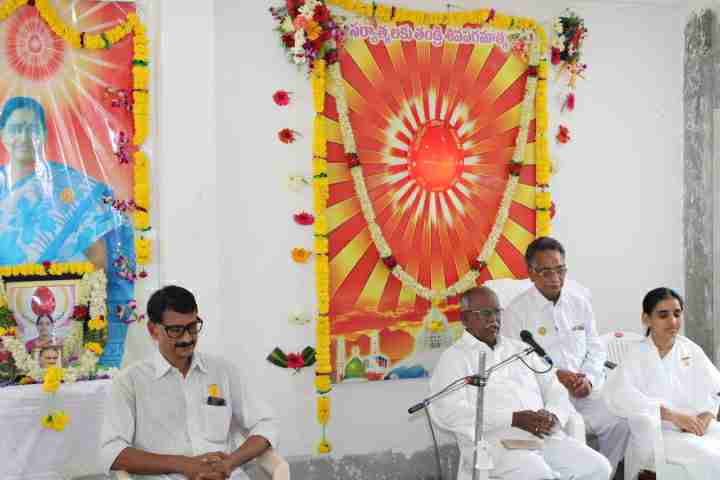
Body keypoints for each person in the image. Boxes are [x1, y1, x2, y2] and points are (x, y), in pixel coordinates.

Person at [430, 286, 612, 480]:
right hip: (495, 444)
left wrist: (553, 415)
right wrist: (513, 418)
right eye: (485, 313)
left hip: (543, 437)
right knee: (539, 474)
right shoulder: (454, 358)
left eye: (497, 312)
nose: (494, 319)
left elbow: (555, 388)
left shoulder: (520, 350)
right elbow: (448, 412)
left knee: (598, 468)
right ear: (465, 318)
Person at [101, 285, 278, 480]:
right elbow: (113, 452)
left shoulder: (223, 371)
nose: (187, 338)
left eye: (192, 327)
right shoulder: (129, 382)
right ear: (153, 330)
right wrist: (184, 465)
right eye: (176, 330)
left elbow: (265, 424)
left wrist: (229, 463)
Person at [502, 237, 630, 474]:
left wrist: (588, 379)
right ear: (531, 273)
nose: (555, 278)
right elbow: (516, 364)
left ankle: (605, 473)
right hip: (546, 398)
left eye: (560, 270)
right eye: (546, 272)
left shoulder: (579, 303)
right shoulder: (516, 313)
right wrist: (556, 376)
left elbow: (596, 348)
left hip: (584, 392)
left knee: (621, 420)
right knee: (572, 431)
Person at [603, 287, 720, 480]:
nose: (673, 321)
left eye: (677, 314)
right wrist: (673, 416)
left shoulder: (690, 349)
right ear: (646, 319)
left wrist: (707, 416)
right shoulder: (636, 355)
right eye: (663, 315)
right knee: (711, 458)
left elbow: (715, 390)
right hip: (660, 434)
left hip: (698, 428)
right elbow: (621, 398)